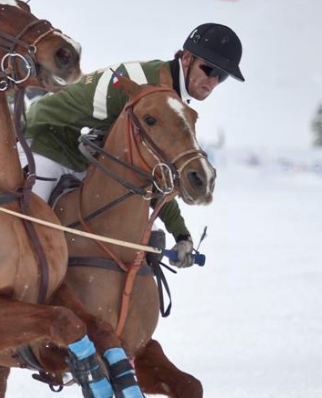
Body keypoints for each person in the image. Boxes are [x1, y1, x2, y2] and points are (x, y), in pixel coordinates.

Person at [23, 23, 246, 267]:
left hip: (85, 157)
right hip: (46, 139)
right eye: (209, 69)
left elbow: (152, 172)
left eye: (221, 76)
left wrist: (180, 234)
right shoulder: (148, 91)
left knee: (146, 237)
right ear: (187, 58)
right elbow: (149, 171)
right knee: (31, 233)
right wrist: (178, 231)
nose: (212, 81)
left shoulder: (169, 98)